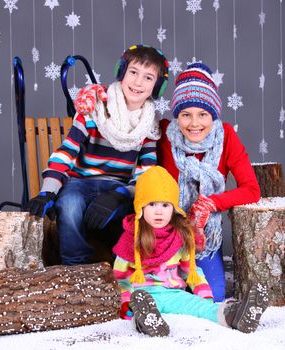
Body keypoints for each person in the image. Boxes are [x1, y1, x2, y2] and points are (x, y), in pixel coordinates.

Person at [26, 44, 169, 265]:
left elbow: (147, 173)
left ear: (157, 87)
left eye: (148, 78)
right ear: (121, 73)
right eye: (133, 72)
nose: (138, 82)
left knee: (132, 218)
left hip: (118, 187)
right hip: (80, 181)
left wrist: (120, 194)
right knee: (69, 205)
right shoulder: (94, 108)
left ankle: (124, 269)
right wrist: (47, 192)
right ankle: (76, 266)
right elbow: (67, 151)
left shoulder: (149, 126)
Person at [113, 166, 269, 338]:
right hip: (142, 295)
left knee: (199, 306)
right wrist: (126, 303)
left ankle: (234, 315)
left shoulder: (179, 236)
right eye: (151, 204)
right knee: (138, 310)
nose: (159, 211)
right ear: (140, 208)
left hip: (173, 294)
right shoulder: (131, 238)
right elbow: (120, 277)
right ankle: (146, 322)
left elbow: (192, 271)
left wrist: (204, 296)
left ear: (173, 208)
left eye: (165, 205)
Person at [157, 63, 261, 302]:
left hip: (205, 234)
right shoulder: (165, 135)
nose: (194, 123)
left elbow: (251, 190)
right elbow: (133, 112)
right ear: (177, 115)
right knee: (166, 294)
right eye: (186, 114)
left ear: (213, 114)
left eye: (203, 114)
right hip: (168, 229)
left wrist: (211, 203)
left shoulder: (225, 136)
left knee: (213, 296)